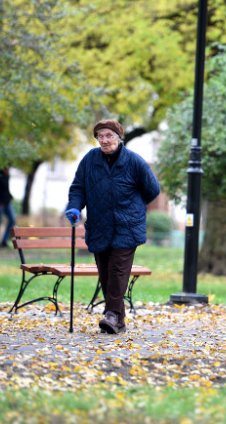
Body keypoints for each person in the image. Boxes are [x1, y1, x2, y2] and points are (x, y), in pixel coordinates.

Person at [65, 119, 160, 334]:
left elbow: (152, 189)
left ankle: (111, 315)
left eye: (109, 135)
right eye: (101, 136)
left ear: (119, 137)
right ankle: (118, 321)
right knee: (106, 274)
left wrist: (132, 206)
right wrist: (74, 207)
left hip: (127, 226)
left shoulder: (134, 161)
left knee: (118, 271)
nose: (105, 140)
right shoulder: (90, 160)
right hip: (100, 226)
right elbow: (78, 187)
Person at [0, 167, 16, 248]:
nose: (8, 170)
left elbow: (6, 189)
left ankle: (4, 241)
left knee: (12, 219)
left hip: (7, 202)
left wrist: (10, 196)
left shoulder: (7, 176)